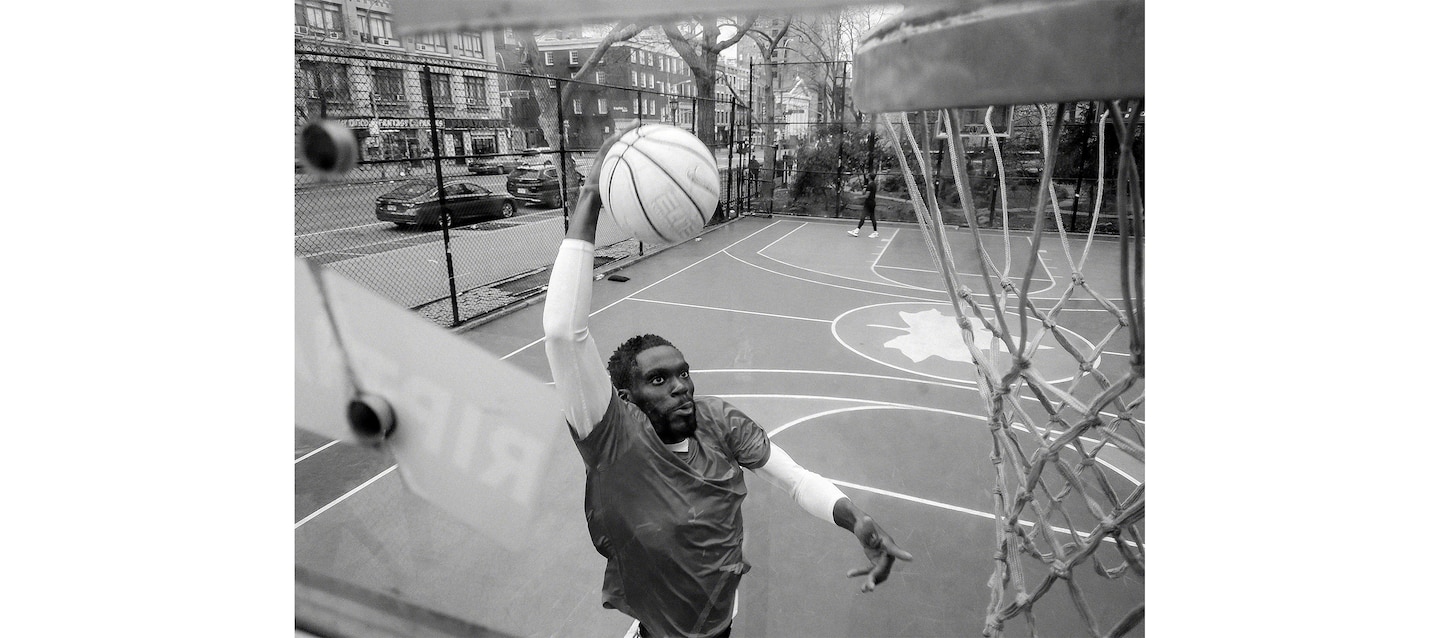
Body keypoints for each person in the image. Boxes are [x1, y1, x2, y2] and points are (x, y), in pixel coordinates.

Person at [543, 129, 913, 638]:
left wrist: (856, 519)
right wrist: (589, 200)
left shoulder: (719, 423)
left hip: (719, 615)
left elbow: (798, 481)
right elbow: (564, 334)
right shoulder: (612, 439)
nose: (681, 387)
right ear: (626, 400)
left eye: (683, 373)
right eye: (659, 379)